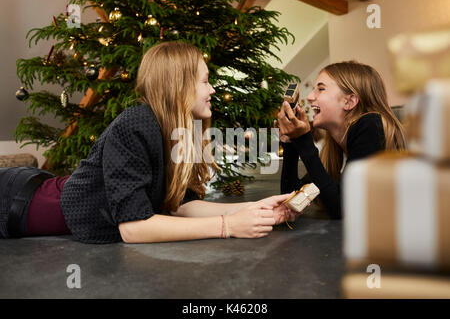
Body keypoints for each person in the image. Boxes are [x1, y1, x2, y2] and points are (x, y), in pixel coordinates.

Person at [1, 41, 295, 244]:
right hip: (14, 199)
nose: (213, 89)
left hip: (36, 188)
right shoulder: (136, 124)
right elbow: (133, 228)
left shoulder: (181, 131)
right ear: (179, 85)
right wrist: (228, 226)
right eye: (205, 81)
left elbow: (183, 207)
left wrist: (257, 209)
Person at [275, 61, 406, 219]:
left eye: (321, 89)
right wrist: (291, 145)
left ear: (349, 101)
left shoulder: (371, 124)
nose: (309, 97)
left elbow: (342, 209)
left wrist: (304, 141)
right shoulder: (334, 149)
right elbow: (294, 202)